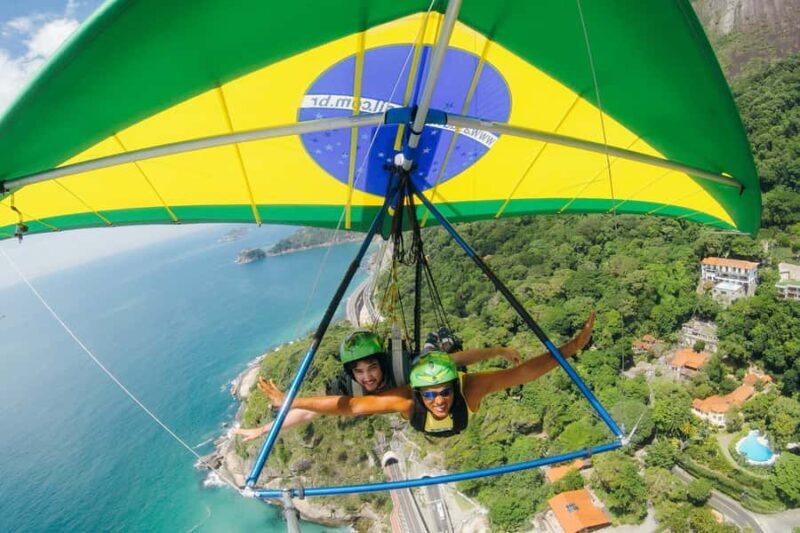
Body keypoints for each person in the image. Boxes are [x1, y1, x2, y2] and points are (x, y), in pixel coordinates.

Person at [257, 313, 594, 437]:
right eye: (430, 394)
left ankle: (437, 347)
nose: (438, 400)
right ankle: (435, 349)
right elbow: (351, 407)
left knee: (446, 354)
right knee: (433, 362)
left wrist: (571, 348)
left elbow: (525, 373)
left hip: (452, 403)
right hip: (419, 413)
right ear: (419, 393)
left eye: (443, 391)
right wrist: (290, 401)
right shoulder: (408, 399)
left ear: (454, 384)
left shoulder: (468, 388)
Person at [234, 329, 521, 441]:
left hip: (416, 378)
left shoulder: (405, 369)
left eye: (372, 367)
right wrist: (262, 430)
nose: (367, 377)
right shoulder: (350, 388)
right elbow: (311, 412)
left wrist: (496, 351)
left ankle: (434, 342)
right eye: (359, 371)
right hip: (405, 405)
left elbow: (456, 360)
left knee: (436, 358)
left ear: (382, 363)